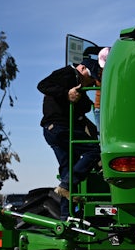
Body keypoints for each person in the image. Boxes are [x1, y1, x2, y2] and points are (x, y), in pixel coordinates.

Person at [38, 58, 102, 219]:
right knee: (94, 150)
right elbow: (43, 85)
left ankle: (66, 216)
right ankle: (66, 186)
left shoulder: (77, 83)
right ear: (82, 68)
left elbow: (85, 105)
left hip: (52, 130)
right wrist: (67, 94)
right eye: (90, 77)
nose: (91, 82)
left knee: (68, 169)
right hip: (60, 127)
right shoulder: (67, 74)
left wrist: (78, 95)